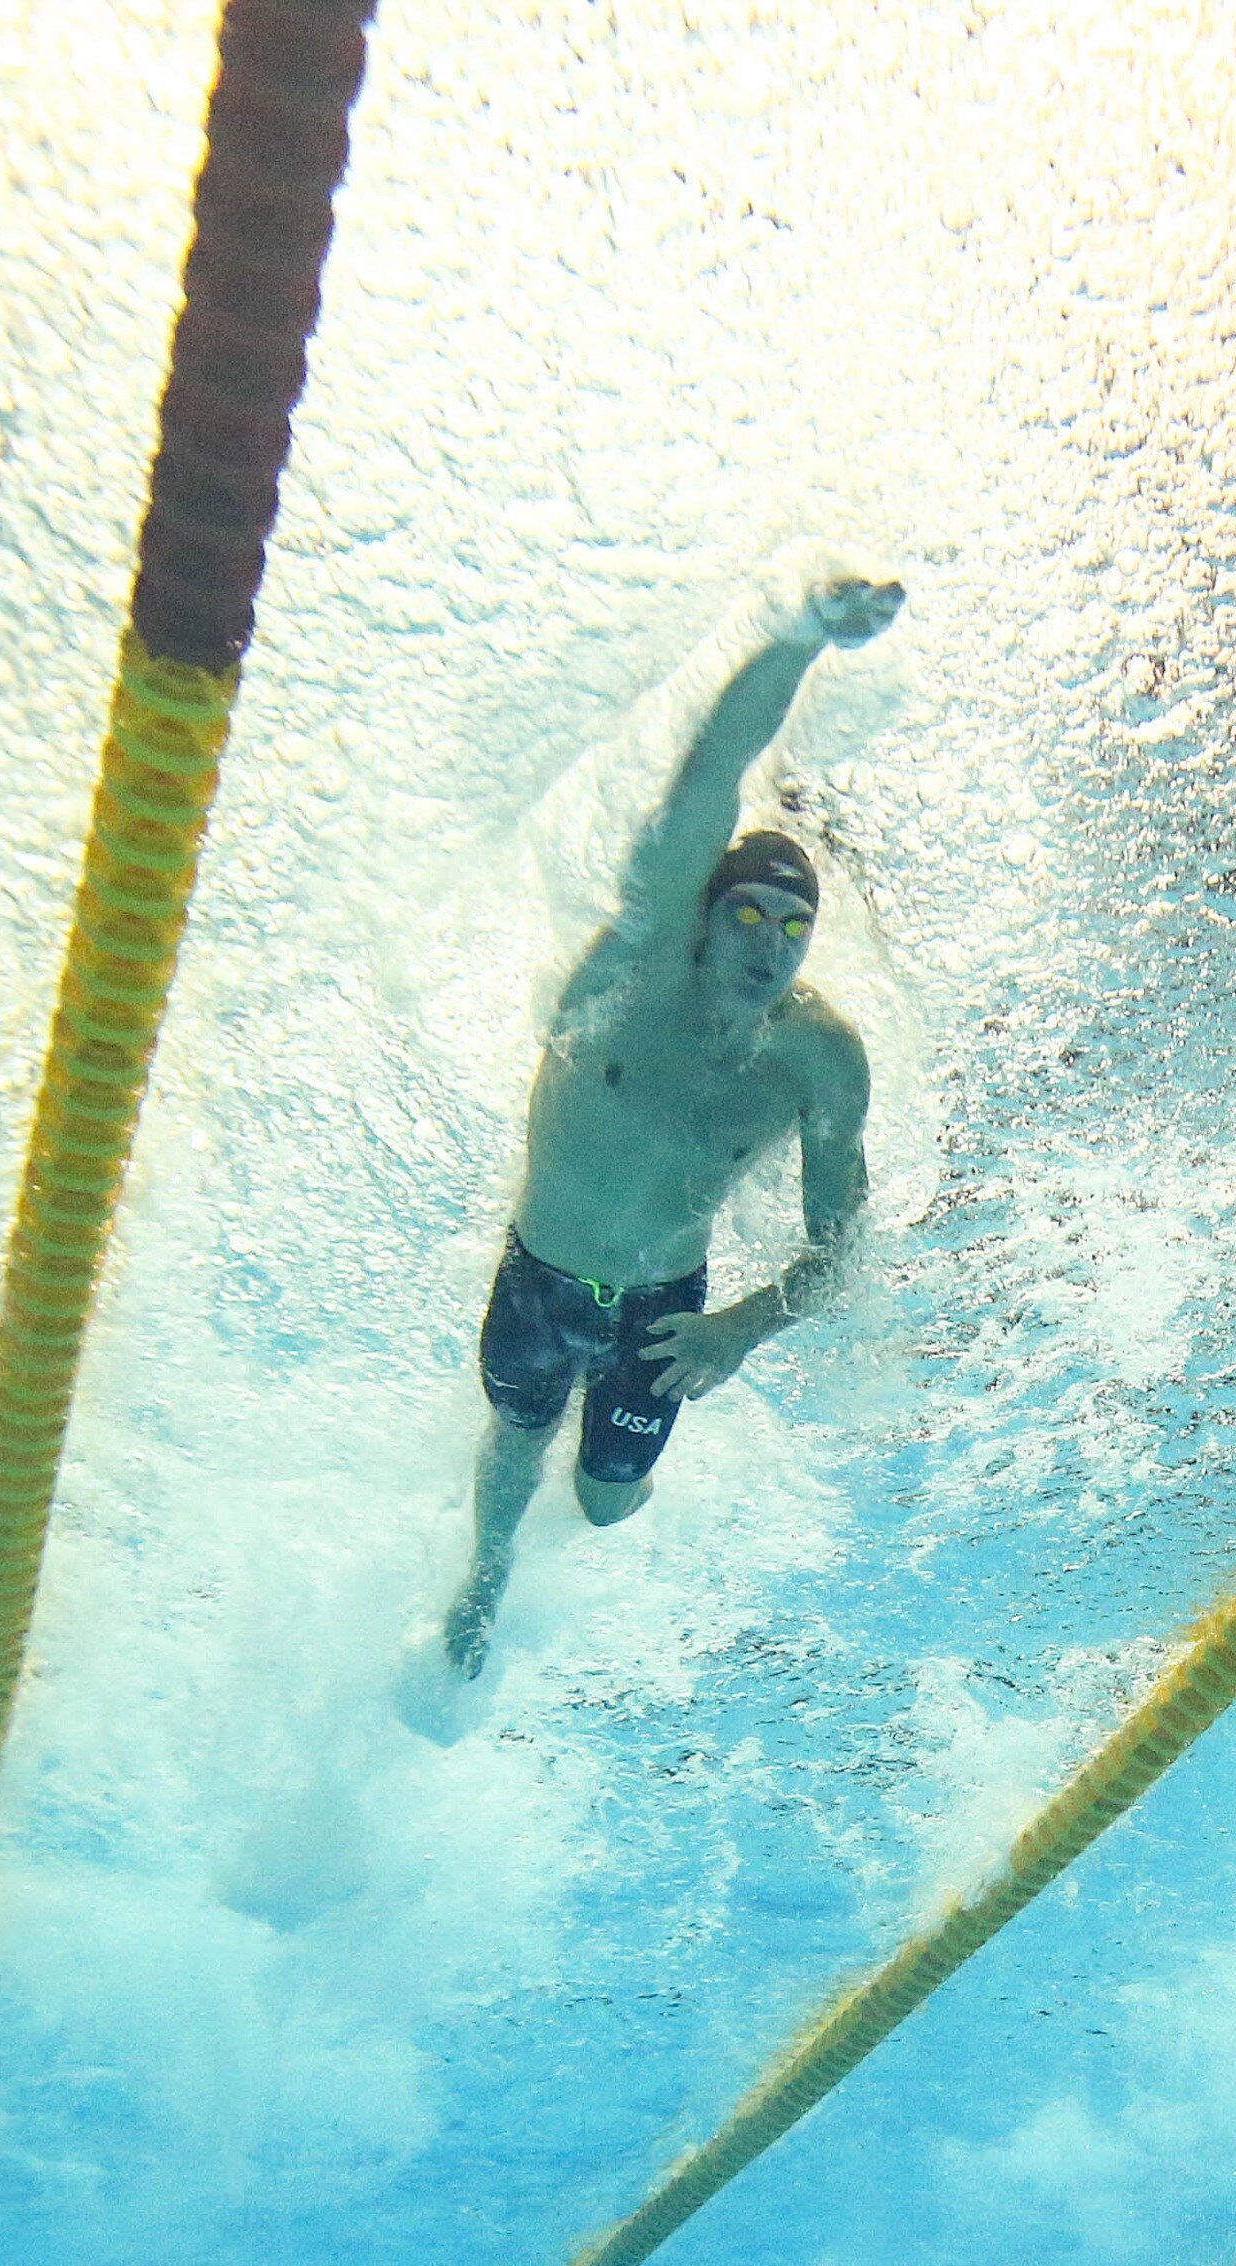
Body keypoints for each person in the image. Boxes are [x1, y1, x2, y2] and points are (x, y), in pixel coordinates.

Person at [435, 562, 898, 1681]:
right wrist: (801, 636)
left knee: (602, 1507)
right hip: (541, 1276)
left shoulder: (818, 1060)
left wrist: (736, 1330)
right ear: (700, 913)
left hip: (664, 1311)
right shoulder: (636, 969)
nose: (767, 939)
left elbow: (843, 1250)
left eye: (792, 925)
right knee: (512, 1443)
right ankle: (484, 1577)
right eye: (744, 909)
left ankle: (610, 1470)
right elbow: (709, 772)